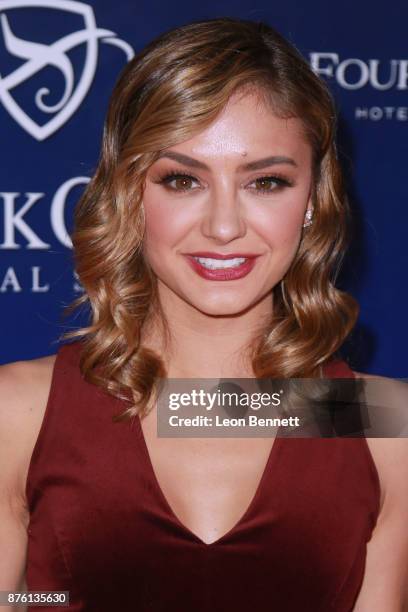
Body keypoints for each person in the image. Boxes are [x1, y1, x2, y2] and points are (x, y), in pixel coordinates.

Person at [0, 16, 407, 612]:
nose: (223, 227)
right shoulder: (20, 412)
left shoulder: (375, 420)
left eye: (265, 182)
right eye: (182, 179)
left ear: (314, 199)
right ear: (128, 193)